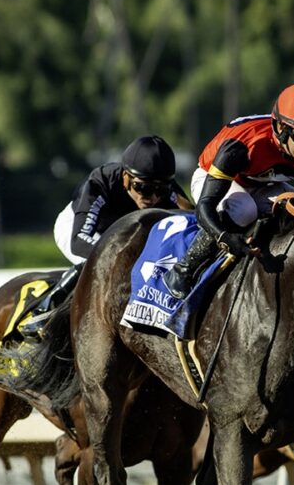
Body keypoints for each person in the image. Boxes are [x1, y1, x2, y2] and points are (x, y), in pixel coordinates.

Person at [163, 82, 294, 299]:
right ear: (281, 129)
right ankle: (184, 270)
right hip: (210, 177)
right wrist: (225, 237)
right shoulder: (243, 146)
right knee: (244, 209)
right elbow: (204, 206)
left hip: (258, 182)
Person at [19, 135, 191, 339]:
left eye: (160, 190)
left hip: (127, 234)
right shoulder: (101, 181)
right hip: (81, 229)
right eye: (142, 188)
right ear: (126, 177)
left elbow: (192, 225)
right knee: (98, 264)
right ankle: (44, 311)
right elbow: (79, 240)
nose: (153, 197)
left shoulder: (170, 193)